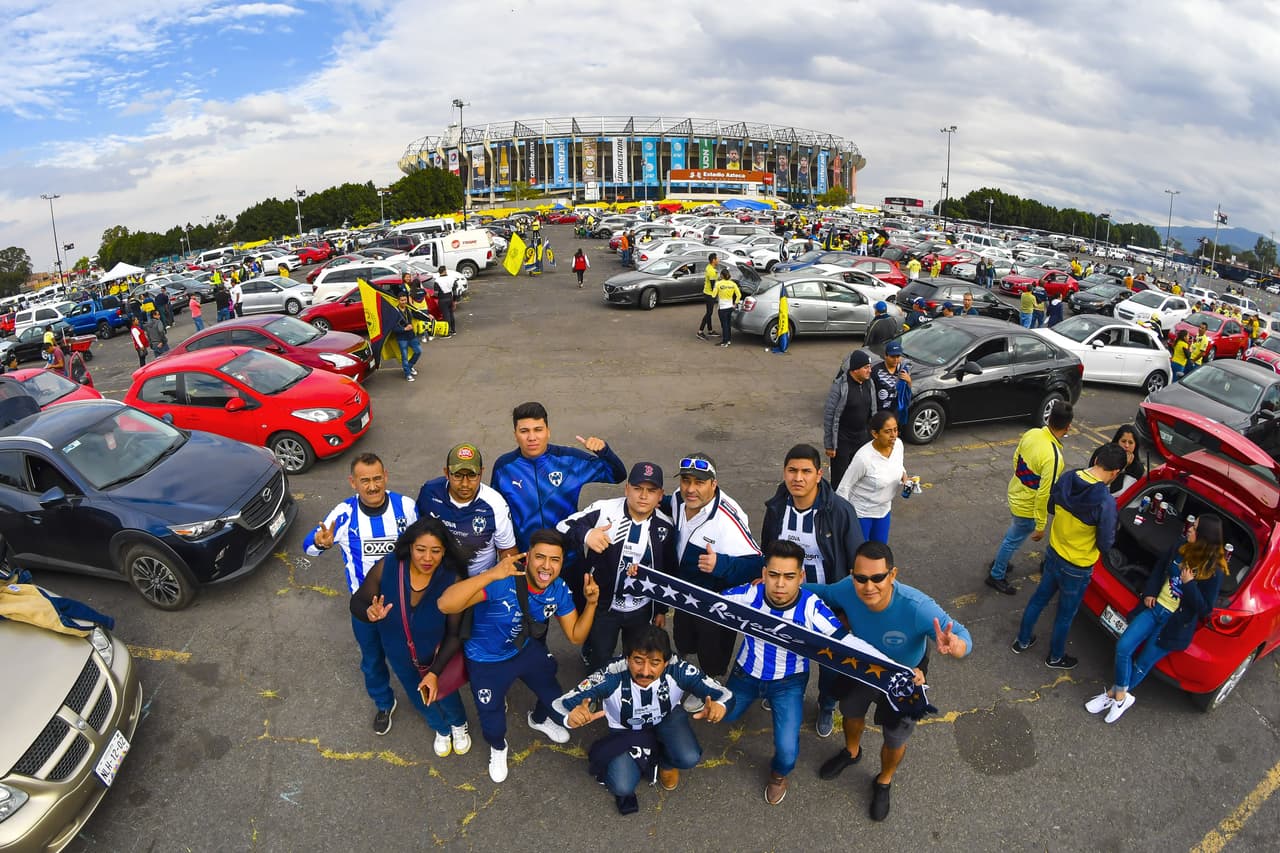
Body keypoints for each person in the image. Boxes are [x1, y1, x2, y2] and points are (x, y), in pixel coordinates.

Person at [808, 540, 971, 821]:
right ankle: (851, 751)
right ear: (852, 574)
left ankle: (884, 780)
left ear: (892, 575)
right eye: (861, 578)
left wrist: (958, 646)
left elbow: (961, 633)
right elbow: (821, 592)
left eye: (878, 578)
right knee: (850, 712)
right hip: (862, 665)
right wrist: (778, 585)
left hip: (904, 675)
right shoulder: (847, 588)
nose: (868, 586)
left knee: (895, 737)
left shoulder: (917, 607)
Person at [438, 531, 600, 783]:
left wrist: (591, 604)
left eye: (555, 560)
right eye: (540, 557)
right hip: (486, 659)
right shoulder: (503, 579)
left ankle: (539, 719)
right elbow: (446, 604)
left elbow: (576, 637)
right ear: (527, 557)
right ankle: (498, 748)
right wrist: (491, 574)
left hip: (522, 649)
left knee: (550, 683)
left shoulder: (558, 588)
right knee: (491, 716)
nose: (547, 566)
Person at [552, 625, 732, 815]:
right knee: (622, 787)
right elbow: (559, 704)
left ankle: (666, 763)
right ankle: (644, 754)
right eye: (638, 661)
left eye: (655, 663)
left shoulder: (679, 670)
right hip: (625, 729)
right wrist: (569, 718)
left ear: (666, 661)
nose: (645, 672)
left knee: (688, 757)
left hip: (667, 717)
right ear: (626, 657)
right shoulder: (610, 675)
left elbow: (725, 694)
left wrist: (721, 706)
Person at [720, 540, 847, 805]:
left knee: (788, 752)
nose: (780, 584)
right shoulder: (749, 594)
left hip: (788, 684)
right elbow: (706, 602)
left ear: (801, 577)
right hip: (746, 674)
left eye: (789, 576)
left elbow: (845, 644)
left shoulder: (812, 606)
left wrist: (898, 669)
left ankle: (778, 777)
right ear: (764, 574)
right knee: (724, 715)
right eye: (774, 575)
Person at [303, 453, 418, 735]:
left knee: (414, 654)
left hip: (404, 602)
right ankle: (383, 703)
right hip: (364, 606)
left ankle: (423, 696)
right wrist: (321, 542)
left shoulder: (407, 507)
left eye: (377, 478)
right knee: (372, 659)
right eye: (364, 480)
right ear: (353, 482)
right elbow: (309, 547)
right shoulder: (343, 513)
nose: (372, 486)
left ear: (386, 476)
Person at [1085, 514, 1226, 723]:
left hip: (1173, 624)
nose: (1189, 529)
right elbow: (1160, 567)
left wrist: (1189, 584)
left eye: (1194, 528)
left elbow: (1204, 609)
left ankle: (1112, 696)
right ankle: (1122, 697)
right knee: (1123, 647)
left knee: (1142, 663)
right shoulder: (1180, 546)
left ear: (1204, 537)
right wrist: (1150, 591)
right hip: (1155, 608)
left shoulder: (1214, 572)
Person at [349, 518, 471, 757]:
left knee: (445, 692)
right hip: (398, 651)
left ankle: (458, 724)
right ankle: (440, 728)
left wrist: (435, 672)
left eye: (435, 551)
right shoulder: (390, 566)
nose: (427, 558)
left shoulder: (452, 578)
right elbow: (357, 601)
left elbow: (455, 634)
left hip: (437, 654)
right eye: (420, 550)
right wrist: (368, 612)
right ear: (410, 547)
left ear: (444, 551)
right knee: (417, 693)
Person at [1012, 443, 1126, 668]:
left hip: (1054, 553)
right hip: (1078, 566)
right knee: (1065, 614)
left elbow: (1052, 506)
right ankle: (1055, 657)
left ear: (1096, 461)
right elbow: (1105, 543)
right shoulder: (1105, 502)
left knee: (1038, 600)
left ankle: (1022, 641)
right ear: (1116, 473)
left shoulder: (1068, 478)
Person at [557, 462, 676, 670]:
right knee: (600, 655)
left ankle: (627, 695)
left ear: (660, 495)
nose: (643, 496)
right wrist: (587, 534)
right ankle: (595, 693)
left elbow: (666, 571)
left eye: (651, 491)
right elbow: (563, 526)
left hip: (641, 608)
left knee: (636, 655)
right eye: (638, 488)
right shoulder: (605, 509)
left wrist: (660, 610)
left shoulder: (665, 526)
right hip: (603, 605)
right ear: (627, 488)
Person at [661, 452, 763, 691]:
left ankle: (710, 685)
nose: (690, 489)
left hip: (715, 603)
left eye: (699, 482)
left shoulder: (727, 521)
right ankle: (683, 671)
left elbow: (758, 564)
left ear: (713, 484)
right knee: (683, 638)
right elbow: (670, 503)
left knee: (712, 651)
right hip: (685, 593)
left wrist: (721, 565)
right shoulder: (679, 499)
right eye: (686, 481)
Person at [986, 400, 1073, 595]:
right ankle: (996, 574)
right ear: (1068, 427)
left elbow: (1017, 458)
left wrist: (1022, 481)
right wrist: (1041, 525)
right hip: (1027, 507)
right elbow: (1044, 494)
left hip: (1015, 492)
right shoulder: (1054, 457)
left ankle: (1000, 562)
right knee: (1012, 539)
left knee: (1011, 537)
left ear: (1049, 418)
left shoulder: (1032, 433)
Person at [761, 443, 863, 587]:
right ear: (784, 473)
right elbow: (767, 553)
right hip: (783, 597)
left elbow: (857, 563)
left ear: (818, 475)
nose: (798, 478)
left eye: (806, 471)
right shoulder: (775, 508)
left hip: (827, 600)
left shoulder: (840, 511)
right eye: (792, 470)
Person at [415, 443, 518, 578]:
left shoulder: (496, 504)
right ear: (446, 473)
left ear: (481, 472)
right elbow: (416, 536)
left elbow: (507, 551)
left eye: (472, 475)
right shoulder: (429, 493)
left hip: (478, 581)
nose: (465, 483)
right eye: (457, 475)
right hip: (436, 577)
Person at [836, 410, 911, 544]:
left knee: (880, 553)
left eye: (895, 430)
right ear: (875, 433)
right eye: (888, 431)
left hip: (884, 511)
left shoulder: (898, 445)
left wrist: (904, 478)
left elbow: (898, 465)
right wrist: (844, 520)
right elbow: (843, 488)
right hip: (861, 514)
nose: (893, 435)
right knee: (860, 554)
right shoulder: (863, 458)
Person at [824, 349, 876, 488]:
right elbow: (830, 415)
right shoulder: (840, 386)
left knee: (859, 475)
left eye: (869, 367)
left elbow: (873, 411)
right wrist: (830, 444)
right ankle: (836, 505)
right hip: (843, 440)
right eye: (866, 367)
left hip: (862, 438)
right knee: (840, 478)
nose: (869, 370)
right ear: (855, 370)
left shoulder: (869, 384)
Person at [1090, 426, 1144, 495]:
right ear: (1117, 441)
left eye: (1130, 443)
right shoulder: (1103, 453)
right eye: (1123, 441)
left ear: (1135, 445)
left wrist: (1123, 467)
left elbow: (1115, 491)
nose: (1126, 446)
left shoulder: (1137, 468)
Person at [870, 340, 910, 418]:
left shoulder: (902, 370)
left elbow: (907, 392)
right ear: (885, 355)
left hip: (894, 413)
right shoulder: (876, 370)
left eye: (898, 356)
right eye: (892, 356)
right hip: (878, 413)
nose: (895, 359)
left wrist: (909, 381)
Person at [393, 294, 428, 381]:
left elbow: (418, 315)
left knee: (418, 351)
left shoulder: (409, 309)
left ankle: (409, 366)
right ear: (398, 300)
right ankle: (408, 374)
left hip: (411, 335)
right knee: (404, 357)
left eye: (405, 300)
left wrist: (428, 317)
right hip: (402, 338)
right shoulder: (395, 312)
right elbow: (393, 328)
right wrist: (404, 329)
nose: (404, 302)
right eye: (402, 300)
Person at [713, 267, 740, 348]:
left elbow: (713, 295)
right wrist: (735, 304)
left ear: (721, 275)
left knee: (724, 325)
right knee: (728, 324)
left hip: (722, 308)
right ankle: (728, 340)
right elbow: (739, 295)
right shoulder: (733, 284)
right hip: (730, 307)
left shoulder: (718, 284)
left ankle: (724, 342)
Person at [435, 265, 464, 335]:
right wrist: (455, 300)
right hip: (450, 298)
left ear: (439, 272)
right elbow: (454, 290)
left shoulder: (437, 281)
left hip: (442, 299)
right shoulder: (451, 279)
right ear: (445, 271)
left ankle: (447, 331)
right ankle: (453, 330)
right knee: (451, 314)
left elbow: (436, 293)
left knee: (446, 315)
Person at [697, 254, 719, 340]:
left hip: (707, 292)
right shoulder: (711, 271)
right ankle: (700, 331)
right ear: (713, 260)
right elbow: (713, 285)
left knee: (709, 312)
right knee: (709, 313)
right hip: (710, 294)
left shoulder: (709, 267)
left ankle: (710, 330)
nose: (718, 260)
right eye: (717, 259)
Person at [768, 281, 790, 354]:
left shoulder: (783, 300)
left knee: (783, 328)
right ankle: (782, 346)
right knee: (783, 327)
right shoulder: (783, 300)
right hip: (782, 314)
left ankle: (783, 347)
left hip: (783, 314)